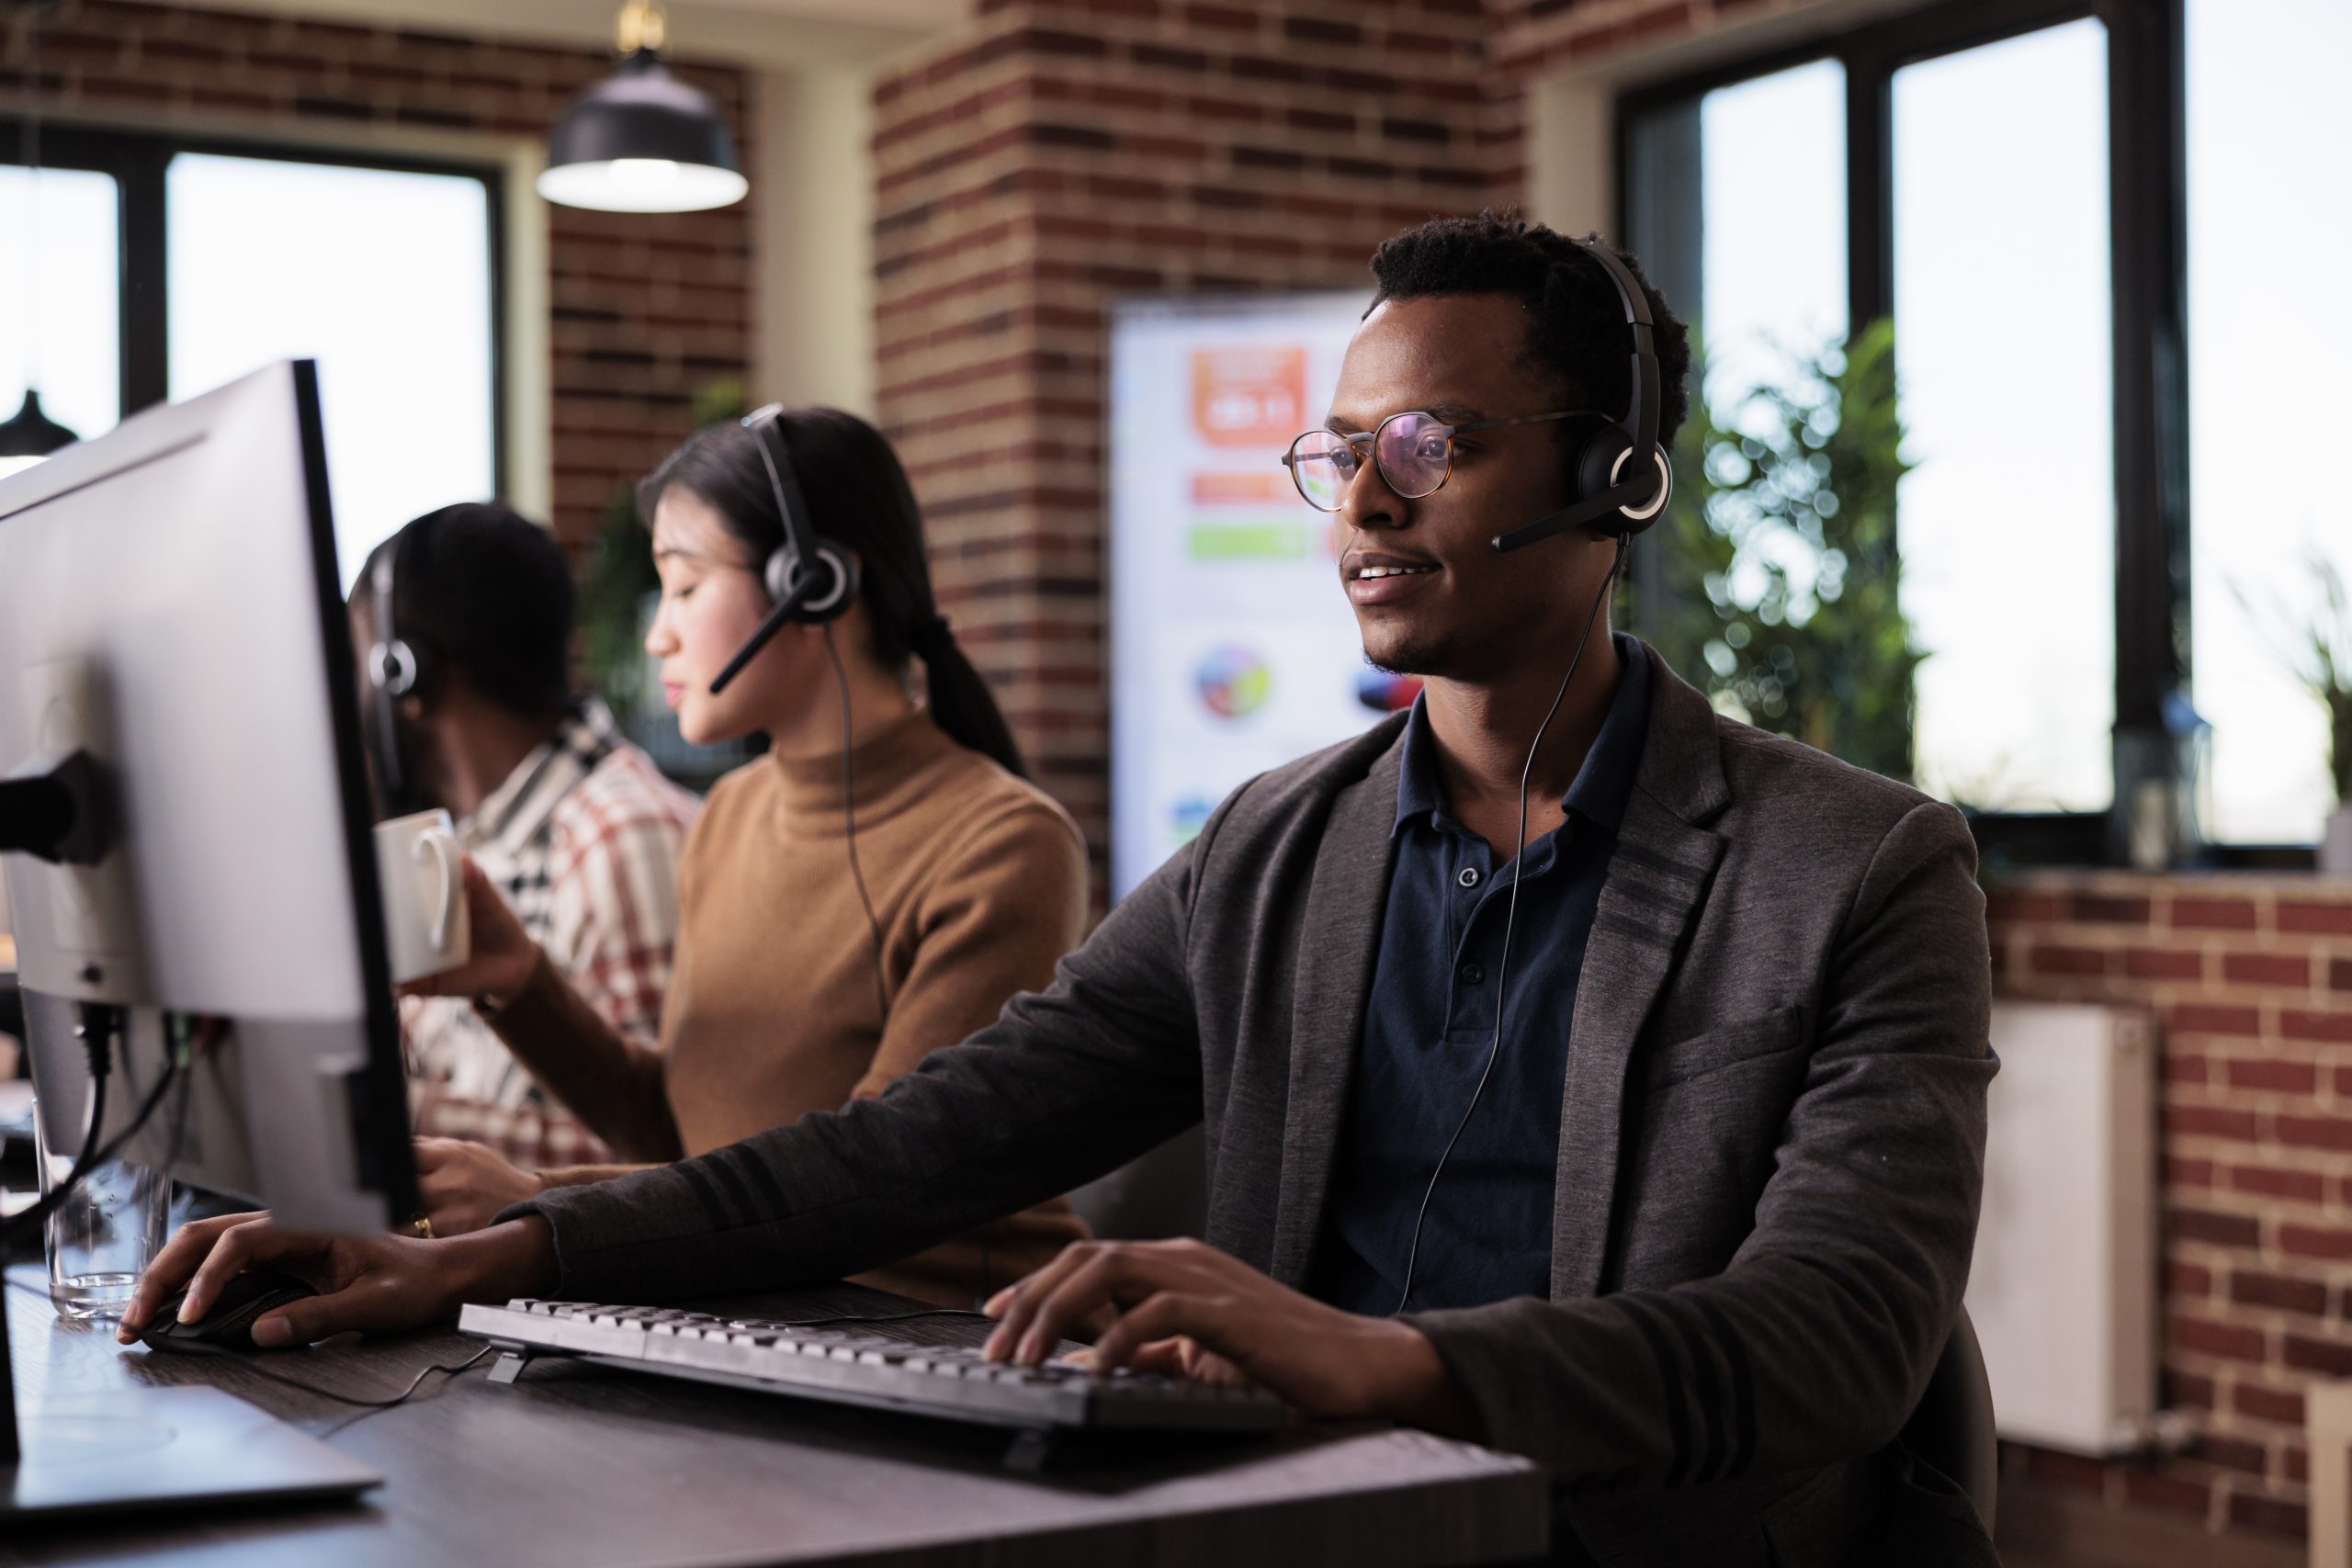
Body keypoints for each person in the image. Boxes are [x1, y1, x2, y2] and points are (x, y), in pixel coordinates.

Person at [130, 214, 1996, 1567]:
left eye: (1426, 449)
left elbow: (1835, 1331)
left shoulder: (1855, 866)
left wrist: (1382, 1362)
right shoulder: (1275, 848)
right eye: (1337, 455)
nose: (1357, 506)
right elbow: (902, 1146)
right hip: (1310, 1528)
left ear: (1614, 475)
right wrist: (489, 1253)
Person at [360, 409, 1094, 1307]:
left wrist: (537, 1205)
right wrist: (520, 982)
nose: (655, 635)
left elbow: (881, 1188)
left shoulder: (1003, 844)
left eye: (684, 585)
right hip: (762, 1318)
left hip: (945, 1335)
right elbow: (685, 1128)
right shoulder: (731, 815)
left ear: (812, 582)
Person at [353, 503, 700, 1175]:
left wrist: (391, 1116)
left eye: (354, 664)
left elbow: (665, 1163)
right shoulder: (481, 838)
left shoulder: (618, 837)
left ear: (406, 673)